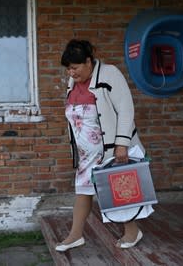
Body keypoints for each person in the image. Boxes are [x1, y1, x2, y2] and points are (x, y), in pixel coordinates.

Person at [55, 39, 153, 252]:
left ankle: (132, 232)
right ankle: (75, 235)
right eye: (68, 69)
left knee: (115, 191)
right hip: (86, 154)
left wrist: (121, 144)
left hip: (108, 149)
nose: (70, 73)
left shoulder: (110, 74)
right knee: (83, 190)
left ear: (88, 61)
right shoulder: (74, 83)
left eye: (74, 67)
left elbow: (126, 110)